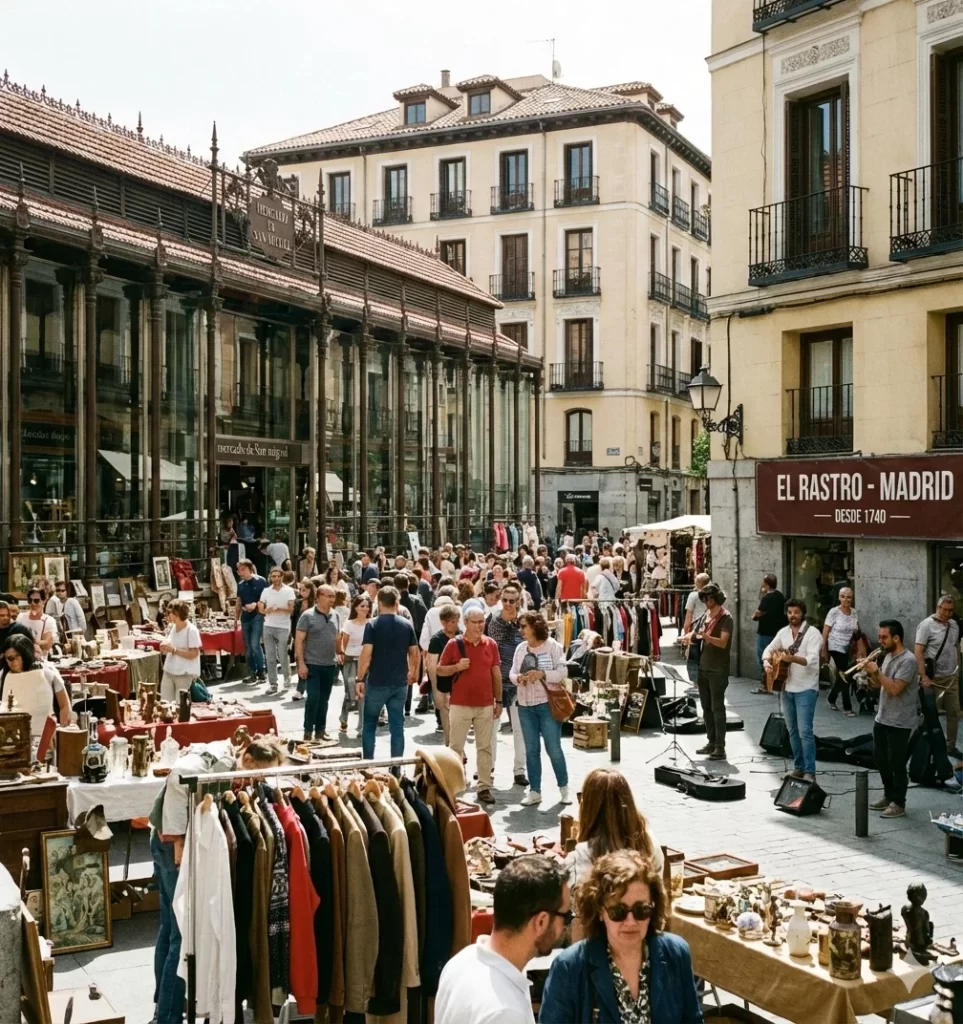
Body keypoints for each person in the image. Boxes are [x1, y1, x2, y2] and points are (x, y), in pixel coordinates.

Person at [149, 734, 283, 1024]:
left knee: (171, 927)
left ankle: (164, 1005)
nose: (258, 781)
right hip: (171, 844)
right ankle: (168, 1017)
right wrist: (179, 841)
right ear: (247, 759)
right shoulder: (222, 762)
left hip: (163, 840)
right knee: (182, 935)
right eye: (258, 773)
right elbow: (178, 778)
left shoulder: (225, 757)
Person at [540, 849, 703, 1024]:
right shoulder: (569, 968)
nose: (631, 922)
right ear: (600, 911)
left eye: (642, 909)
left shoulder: (676, 954)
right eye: (618, 911)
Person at [436, 855, 571, 1024]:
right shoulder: (506, 1013)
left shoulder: (461, 961)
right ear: (541, 921)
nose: (567, 925)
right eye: (566, 916)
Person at [438, 607, 502, 805]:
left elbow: (496, 675)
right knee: (455, 747)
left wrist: (499, 701)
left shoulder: (490, 644)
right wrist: (457, 667)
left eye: (482, 621)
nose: (479, 625)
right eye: (475, 622)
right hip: (460, 704)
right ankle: (454, 784)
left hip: (484, 704)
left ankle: (484, 786)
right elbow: (439, 670)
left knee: (485, 747)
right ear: (465, 623)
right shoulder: (453, 644)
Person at [566, 768, 663, 890]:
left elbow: (575, 900)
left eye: (582, 799)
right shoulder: (647, 837)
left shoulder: (586, 851)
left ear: (590, 808)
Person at [510, 611, 570, 806]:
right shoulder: (520, 649)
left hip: (546, 704)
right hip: (525, 705)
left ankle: (564, 788)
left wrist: (542, 674)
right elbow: (512, 672)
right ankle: (535, 791)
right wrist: (518, 678)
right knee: (531, 750)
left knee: (553, 748)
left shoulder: (553, 647)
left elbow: (562, 672)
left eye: (524, 626)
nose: (521, 630)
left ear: (535, 626)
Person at [864, 619, 920, 818]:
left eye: (884, 637)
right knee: (881, 760)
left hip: (900, 720)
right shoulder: (887, 656)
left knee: (897, 763)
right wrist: (869, 675)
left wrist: (876, 671)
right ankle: (888, 795)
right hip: (883, 716)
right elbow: (881, 685)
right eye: (879, 637)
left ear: (896, 638)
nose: (880, 641)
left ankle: (899, 803)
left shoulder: (909, 661)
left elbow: (895, 688)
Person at [762, 598, 823, 782]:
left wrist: (791, 659)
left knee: (805, 730)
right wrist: (766, 662)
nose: (792, 616)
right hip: (786, 687)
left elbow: (811, 660)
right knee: (792, 730)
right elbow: (768, 649)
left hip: (806, 687)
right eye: (789, 612)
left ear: (802, 613)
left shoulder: (813, 634)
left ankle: (810, 772)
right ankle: (799, 767)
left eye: (796, 612)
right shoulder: (783, 633)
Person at [356, 586, 419, 761]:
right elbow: (414, 652)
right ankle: (396, 767)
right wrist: (412, 672)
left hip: (377, 681)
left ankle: (368, 763)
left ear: (379, 602)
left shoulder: (373, 624)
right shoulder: (406, 624)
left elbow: (366, 654)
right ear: (396, 603)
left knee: (369, 724)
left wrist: (359, 678)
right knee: (397, 726)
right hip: (399, 682)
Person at [485, 584, 529, 788]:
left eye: (513, 600)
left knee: (520, 729)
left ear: (519, 600)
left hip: (519, 683)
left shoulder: (524, 623)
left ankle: (520, 770)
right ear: (500, 599)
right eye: (505, 600)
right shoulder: (492, 620)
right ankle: (488, 766)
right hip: (495, 682)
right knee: (491, 728)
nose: (509, 604)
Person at [686, 583, 733, 762]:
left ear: (714, 599)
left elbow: (722, 642)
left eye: (708, 599)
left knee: (717, 707)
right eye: (704, 599)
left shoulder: (726, 618)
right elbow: (697, 634)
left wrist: (706, 637)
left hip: (718, 669)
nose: (706, 602)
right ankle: (711, 741)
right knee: (706, 708)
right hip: (703, 667)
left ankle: (720, 746)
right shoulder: (706, 615)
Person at [914, 595, 961, 758]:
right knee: (930, 715)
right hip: (933, 678)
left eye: (951, 610)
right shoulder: (926, 625)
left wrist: (958, 668)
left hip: (950, 677)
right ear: (938, 608)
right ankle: (927, 745)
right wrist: (923, 676)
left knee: (954, 712)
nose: (948, 614)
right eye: (945, 610)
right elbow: (918, 651)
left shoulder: (954, 625)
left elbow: (954, 646)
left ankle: (950, 746)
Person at [295, 583, 340, 741]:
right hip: (312, 663)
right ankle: (308, 731)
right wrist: (301, 663)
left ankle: (320, 731)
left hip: (329, 664)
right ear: (318, 597)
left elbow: (337, 637)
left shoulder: (335, 615)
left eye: (333, 596)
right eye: (328, 596)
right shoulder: (307, 616)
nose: (331, 599)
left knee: (324, 700)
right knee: (313, 698)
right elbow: (299, 641)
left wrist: (339, 653)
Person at [1, 633, 71, 726]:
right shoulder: (4, 676)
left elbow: (64, 705)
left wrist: (63, 728)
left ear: (25, 654)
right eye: (9, 658)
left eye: (16, 656)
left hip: (46, 729)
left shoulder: (47, 671)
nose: (13, 661)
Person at [426, 604, 461, 743]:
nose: (455, 624)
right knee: (447, 721)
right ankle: (451, 749)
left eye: (456, 620)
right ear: (443, 622)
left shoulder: (461, 636)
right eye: (452, 621)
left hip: (460, 685)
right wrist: (436, 691)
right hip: (444, 686)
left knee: (459, 721)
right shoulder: (437, 640)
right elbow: (431, 667)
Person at [258, 567, 296, 694]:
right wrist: (265, 610)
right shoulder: (266, 591)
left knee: (282, 654)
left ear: (282, 577)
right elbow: (260, 608)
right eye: (273, 576)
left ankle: (287, 678)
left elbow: (291, 609)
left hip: (283, 626)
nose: (276, 579)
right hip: (268, 625)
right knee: (270, 656)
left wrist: (279, 609)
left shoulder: (289, 591)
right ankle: (273, 683)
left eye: (278, 576)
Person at [338, 594, 371, 736]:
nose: (365, 609)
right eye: (362, 606)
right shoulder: (349, 624)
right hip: (350, 660)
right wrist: (341, 655)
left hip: (367, 661)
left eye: (367, 606)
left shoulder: (371, 623)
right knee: (351, 693)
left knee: (363, 695)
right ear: (356, 607)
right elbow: (343, 643)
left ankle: (361, 727)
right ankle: (343, 717)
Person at [823, 587, 859, 715]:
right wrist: (824, 650)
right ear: (839, 597)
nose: (846, 599)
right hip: (835, 646)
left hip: (848, 648)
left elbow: (856, 631)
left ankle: (831, 698)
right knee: (846, 676)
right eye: (843, 596)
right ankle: (847, 707)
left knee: (844, 675)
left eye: (849, 597)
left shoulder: (854, 612)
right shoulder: (834, 612)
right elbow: (825, 631)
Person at [158, 599, 201, 702]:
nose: (168, 616)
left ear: (177, 614)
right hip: (169, 671)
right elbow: (170, 643)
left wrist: (174, 650)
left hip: (183, 674)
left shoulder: (192, 630)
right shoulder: (173, 628)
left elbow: (194, 654)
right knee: (165, 704)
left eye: (170, 613)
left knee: (180, 707)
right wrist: (164, 646)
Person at [750, 574, 787, 691]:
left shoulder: (767, 598)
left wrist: (754, 615)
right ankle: (773, 683)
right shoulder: (780, 596)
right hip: (777, 631)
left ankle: (765, 685)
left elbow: (759, 612)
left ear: (765, 584)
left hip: (765, 632)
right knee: (775, 658)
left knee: (763, 658)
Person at [234, 560, 267, 684]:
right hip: (245, 617)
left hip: (257, 615)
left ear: (250, 568)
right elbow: (238, 601)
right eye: (239, 570)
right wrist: (236, 618)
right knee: (247, 647)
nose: (240, 572)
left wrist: (256, 605)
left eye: (243, 569)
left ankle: (261, 672)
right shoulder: (241, 584)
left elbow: (267, 599)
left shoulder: (261, 581)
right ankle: (252, 672)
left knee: (255, 644)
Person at [289, 578, 315, 700]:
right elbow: (293, 620)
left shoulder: (315, 604)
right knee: (300, 661)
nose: (301, 592)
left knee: (312, 664)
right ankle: (300, 690)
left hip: (313, 638)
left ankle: (311, 689)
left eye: (304, 590)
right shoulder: (298, 603)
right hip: (299, 637)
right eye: (300, 590)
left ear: (311, 590)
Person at [682, 572, 711, 681]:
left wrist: (686, 632)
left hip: (696, 627)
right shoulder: (712, 595)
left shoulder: (693, 596)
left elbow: (689, 615)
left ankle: (696, 681)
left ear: (697, 583)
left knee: (694, 656)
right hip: (709, 626)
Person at [17, 587, 57, 659]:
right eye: (30, 600)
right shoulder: (21, 618)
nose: (33, 603)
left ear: (44, 601)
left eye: (36, 601)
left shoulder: (49, 621)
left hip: (41, 659)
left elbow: (46, 645)